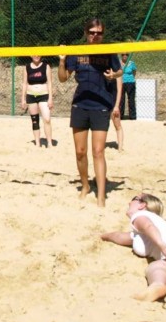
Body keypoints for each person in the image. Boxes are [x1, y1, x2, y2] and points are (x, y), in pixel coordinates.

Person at [57, 18, 121, 207]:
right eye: (92, 32)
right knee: (80, 151)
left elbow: (119, 71)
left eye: (99, 32)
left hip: (101, 105)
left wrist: (114, 75)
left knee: (98, 151)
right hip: (80, 105)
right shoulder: (77, 52)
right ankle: (85, 186)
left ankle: (101, 195)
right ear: (86, 33)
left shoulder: (108, 52)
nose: (95, 36)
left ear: (103, 34)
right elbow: (62, 79)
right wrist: (61, 61)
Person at [20, 55, 54, 147]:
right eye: (34, 54)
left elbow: (50, 83)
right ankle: (37, 143)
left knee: (47, 119)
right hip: (31, 96)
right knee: (35, 120)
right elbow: (24, 83)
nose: (36, 56)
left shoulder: (46, 66)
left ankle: (49, 143)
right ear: (31, 55)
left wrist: (50, 98)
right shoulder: (27, 67)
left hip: (43, 95)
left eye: (38, 54)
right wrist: (23, 99)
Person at [119, 52, 137, 119]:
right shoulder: (118, 63)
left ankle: (132, 116)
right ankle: (120, 116)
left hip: (130, 82)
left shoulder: (132, 63)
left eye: (126, 55)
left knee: (131, 100)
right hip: (121, 83)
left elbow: (134, 72)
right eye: (123, 54)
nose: (125, 56)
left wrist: (131, 78)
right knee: (121, 100)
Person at [111, 76, 124, 153]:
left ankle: (120, 148)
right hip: (103, 102)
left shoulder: (117, 71)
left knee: (118, 125)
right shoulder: (102, 69)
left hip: (113, 101)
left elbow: (119, 90)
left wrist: (116, 105)